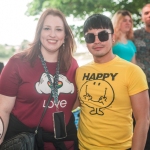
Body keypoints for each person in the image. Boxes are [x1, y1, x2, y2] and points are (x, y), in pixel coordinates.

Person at [0, 8, 79, 150]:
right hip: (26, 144)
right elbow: (3, 110)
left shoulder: (72, 64)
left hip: (65, 144)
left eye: (59, 29)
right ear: (39, 32)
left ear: (66, 35)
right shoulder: (17, 62)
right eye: (47, 28)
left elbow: (74, 103)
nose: (52, 34)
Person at [74, 13, 149, 150]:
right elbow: (73, 104)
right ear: (86, 42)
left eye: (103, 35)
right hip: (83, 146)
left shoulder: (132, 71)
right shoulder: (80, 72)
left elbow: (143, 120)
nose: (97, 41)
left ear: (113, 37)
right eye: (90, 37)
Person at [133, 4, 150, 150]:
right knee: (143, 120)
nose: (149, 14)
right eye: (146, 12)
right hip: (141, 86)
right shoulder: (135, 35)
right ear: (142, 17)